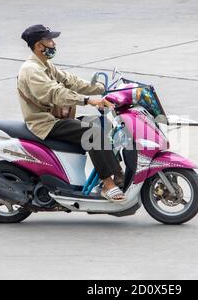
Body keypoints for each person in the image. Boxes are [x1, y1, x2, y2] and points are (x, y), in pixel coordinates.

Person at [18, 25, 125, 202]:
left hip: (57, 119)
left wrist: (104, 89)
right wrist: (88, 101)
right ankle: (108, 184)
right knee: (92, 133)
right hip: (45, 123)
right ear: (39, 46)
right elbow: (55, 93)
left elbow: (71, 81)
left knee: (104, 125)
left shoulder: (45, 65)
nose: (54, 44)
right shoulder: (31, 70)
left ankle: (117, 173)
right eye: (50, 40)